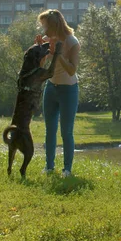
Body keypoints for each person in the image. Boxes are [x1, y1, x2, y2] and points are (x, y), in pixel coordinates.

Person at [35, 9, 80, 177]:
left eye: (44, 25)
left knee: (66, 132)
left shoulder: (72, 42)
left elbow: (71, 70)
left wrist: (58, 54)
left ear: (53, 25)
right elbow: (41, 66)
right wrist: (41, 50)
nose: (42, 28)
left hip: (68, 90)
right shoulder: (47, 40)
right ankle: (49, 166)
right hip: (51, 88)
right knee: (50, 130)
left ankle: (67, 169)